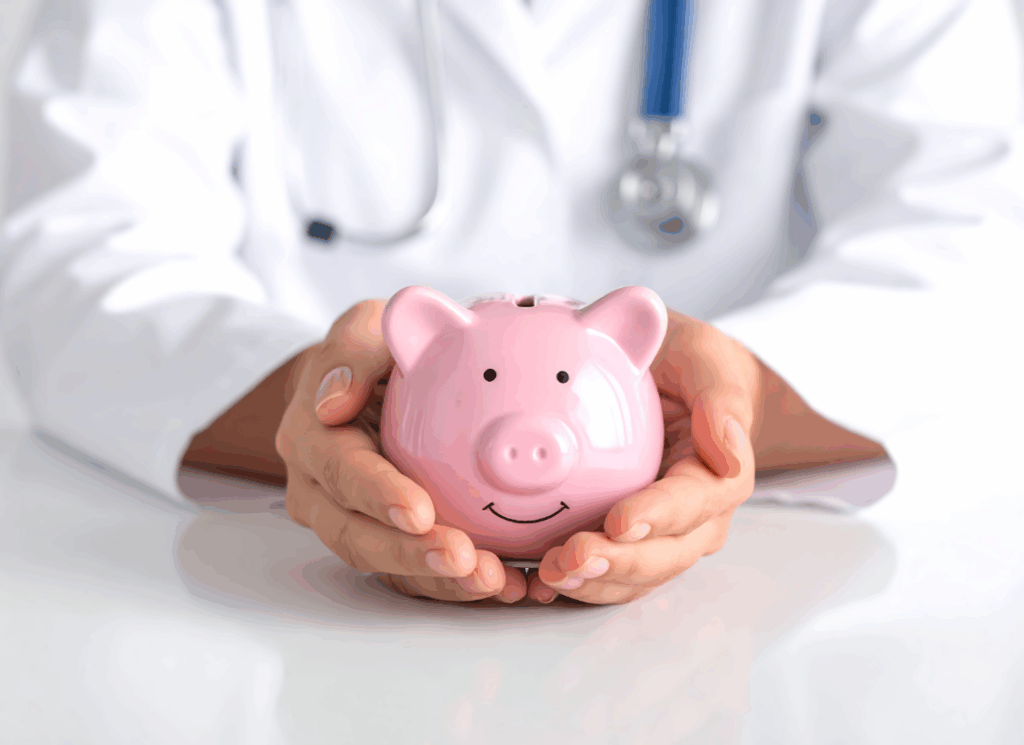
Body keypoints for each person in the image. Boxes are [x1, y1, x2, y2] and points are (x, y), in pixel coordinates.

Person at [2, 0, 1021, 605]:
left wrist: (732, 408)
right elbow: (78, 244)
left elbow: (978, 226)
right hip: (288, 598)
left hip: (764, 608)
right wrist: (321, 409)